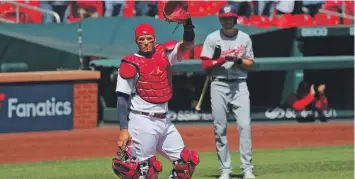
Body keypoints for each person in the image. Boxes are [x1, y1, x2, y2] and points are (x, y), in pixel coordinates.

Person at [112, 19, 200, 179]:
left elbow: (187, 44)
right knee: (146, 171)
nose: (145, 42)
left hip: (165, 122)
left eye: (149, 39)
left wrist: (188, 25)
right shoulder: (130, 63)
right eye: (141, 40)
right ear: (136, 41)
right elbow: (122, 99)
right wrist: (123, 130)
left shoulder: (164, 55)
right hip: (142, 121)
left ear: (154, 38)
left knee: (185, 164)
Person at [199, 4, 256, 179]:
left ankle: (247, 169)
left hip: (240, 84)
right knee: (220, 128)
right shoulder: (212, 38)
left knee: (244, 126)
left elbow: (250, 63)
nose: (227, 21)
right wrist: (221, 60)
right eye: (224, 18)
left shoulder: (245, 38)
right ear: (220, 20)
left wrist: (238, 60)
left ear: (235, 19)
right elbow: (205, 65)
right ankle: (225, 169)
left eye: (230, 18)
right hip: (218, 84)